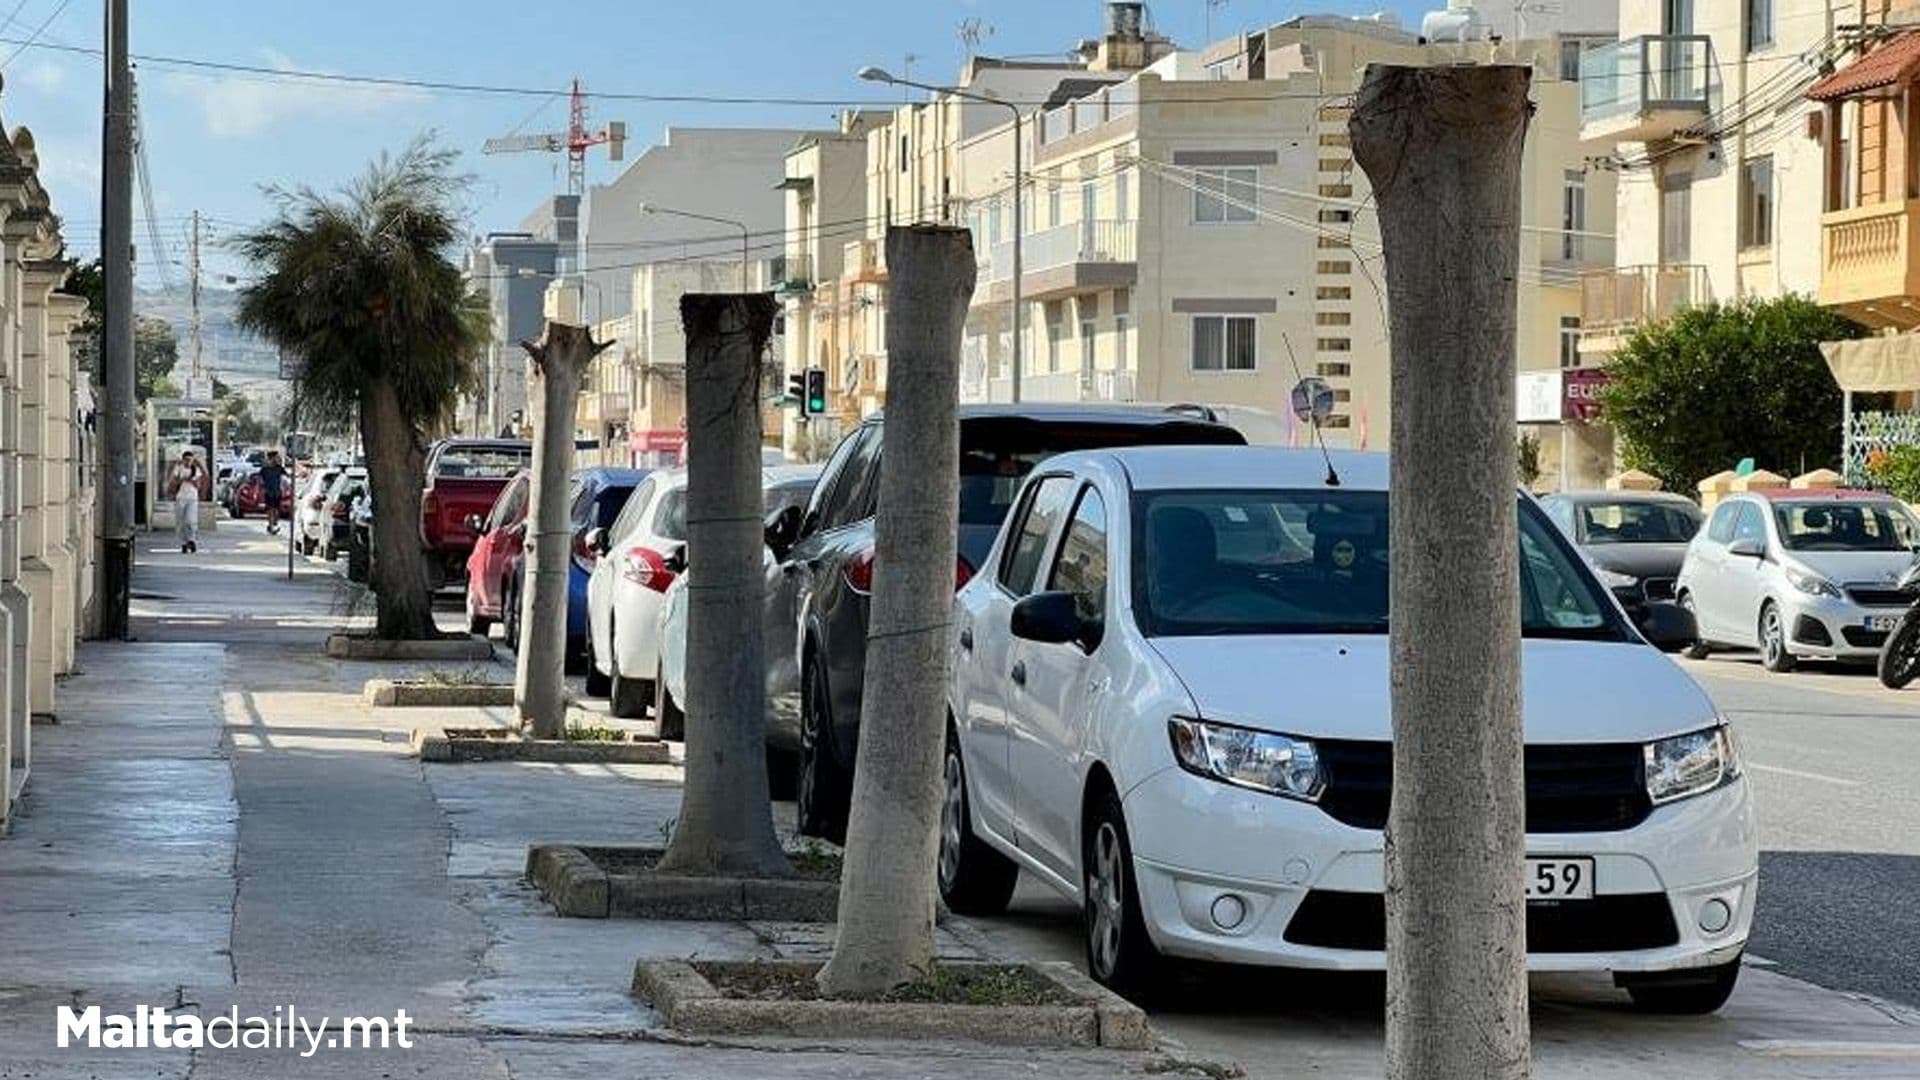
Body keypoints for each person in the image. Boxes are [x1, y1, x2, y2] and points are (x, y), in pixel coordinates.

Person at [168, 450, 210, 554]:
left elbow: (199, 485)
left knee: (191, 521)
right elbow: (173, 482)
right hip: (181, 497)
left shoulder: (195, 470)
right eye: (186, 460)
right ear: (183, 460)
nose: (188, 462)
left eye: (190, 460)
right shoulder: (178, 469)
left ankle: (192, 540)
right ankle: (184, 542)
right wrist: (182, 480)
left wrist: (192, 481)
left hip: (192, 498)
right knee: (181, 521)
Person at [258, 450, 288, 534]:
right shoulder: (265, 469)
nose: (278, 459)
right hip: (269, 492)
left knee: (276, 509)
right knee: (270, 509)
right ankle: (271, 525)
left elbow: (286, 477)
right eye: (276, 457)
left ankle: (274, 524)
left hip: (277, 492)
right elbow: (260, 480)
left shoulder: (279, 468)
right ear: (271, 458)